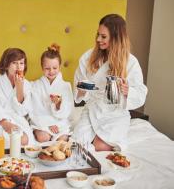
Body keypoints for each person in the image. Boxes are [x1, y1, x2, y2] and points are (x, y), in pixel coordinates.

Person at [72, 14, 147, 151]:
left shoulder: (130, 62)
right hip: (93, 109)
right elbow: (78, 83)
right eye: (98, 35)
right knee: (78, 146)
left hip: (115, 114)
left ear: (116, 37)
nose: (98, 39)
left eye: (103, 36)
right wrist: (82, 89)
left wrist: (127, 91)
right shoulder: (89, 57)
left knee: (100, 146)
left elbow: (141, 93)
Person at [0, 48, 34, 146]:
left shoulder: (26, 84)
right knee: (17, 140)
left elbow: (23, 111)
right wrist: (5, 123)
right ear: (6, 65)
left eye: (21, 63)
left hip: (18, 120)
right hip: (0, 120)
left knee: (24, 140)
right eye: (14, 63)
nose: (18, 67)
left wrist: (20, 88)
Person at [29, 44, 74, 143]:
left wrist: (58, 105)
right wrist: (48, 124)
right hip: (43, 123)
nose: (51, 71)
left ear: (59, 67)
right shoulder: (36, 86)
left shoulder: (66, 86)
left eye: (55, 68)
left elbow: (69, 112)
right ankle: (39, 132)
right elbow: (34, 110)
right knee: (43, 138)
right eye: (47, 68)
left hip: (60, 123)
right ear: (42, 67)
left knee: (62, 141)